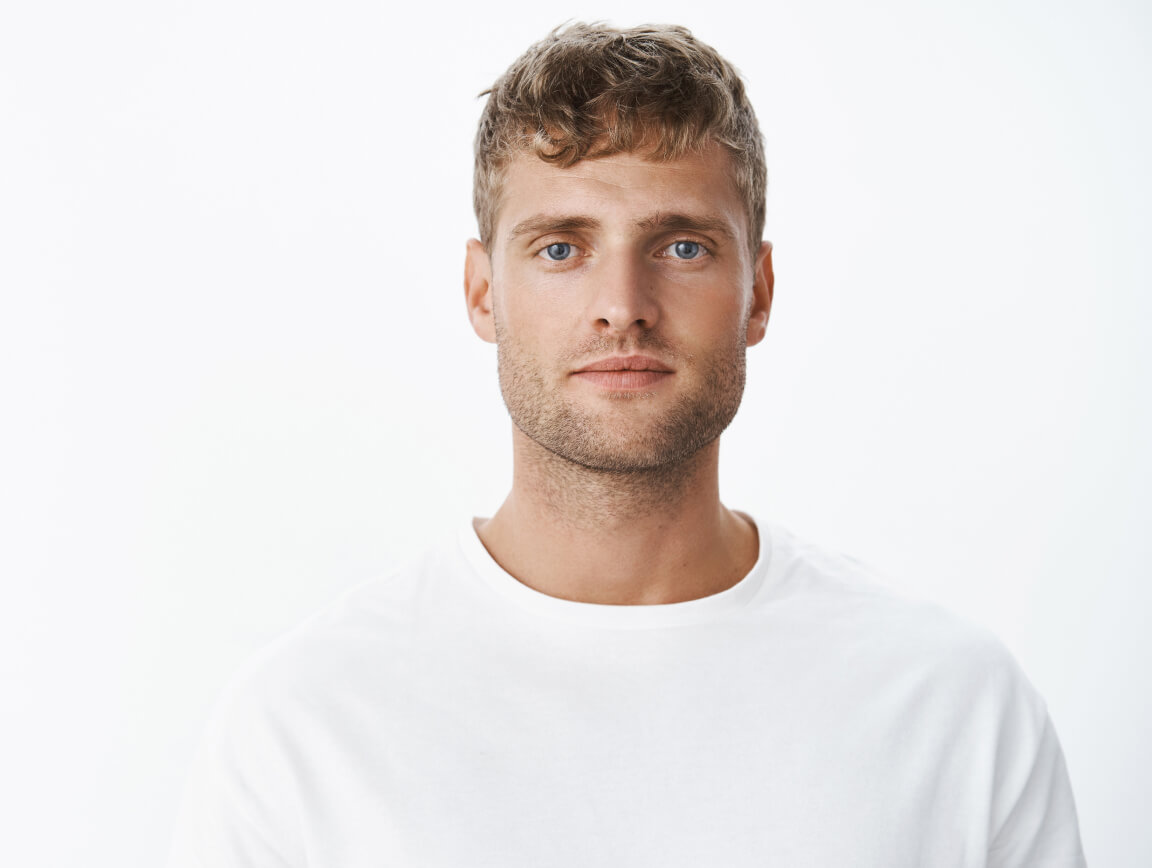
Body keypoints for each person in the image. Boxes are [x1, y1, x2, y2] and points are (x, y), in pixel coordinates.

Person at [166, 22, 1086, 867]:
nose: (623, 303)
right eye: (561, 248)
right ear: (484, 294)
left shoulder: (952, 707)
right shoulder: (305, 730)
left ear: (758, 292)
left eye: (682, 247)